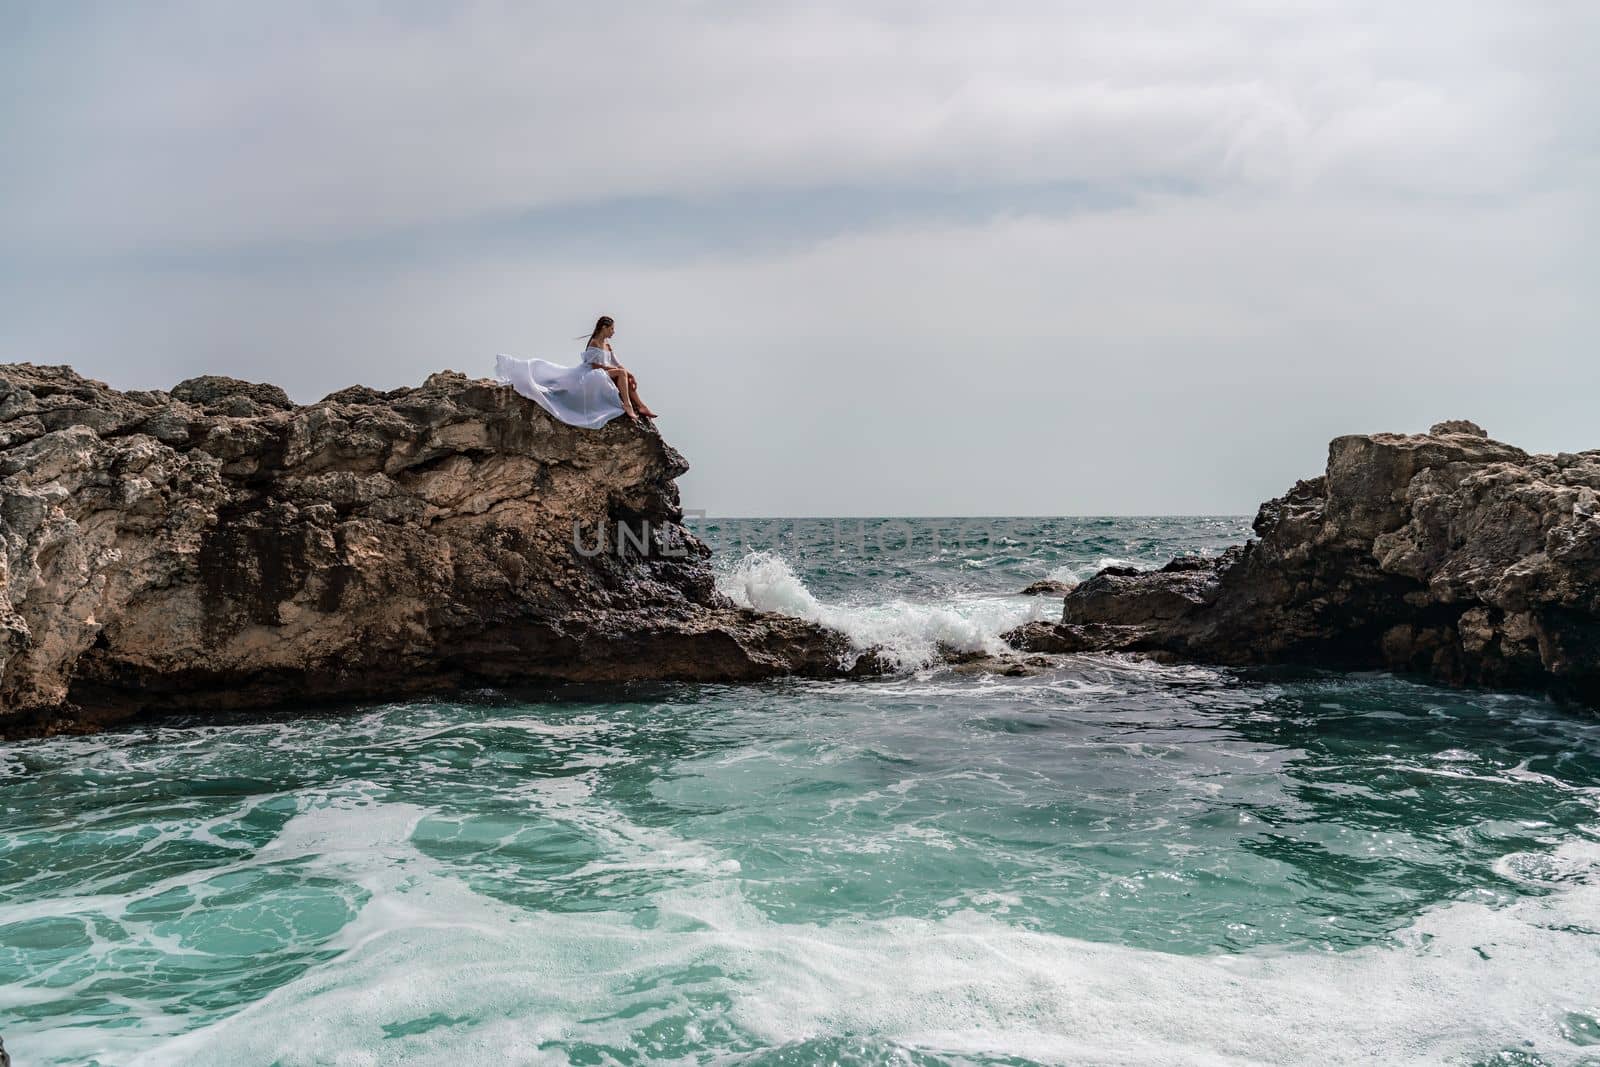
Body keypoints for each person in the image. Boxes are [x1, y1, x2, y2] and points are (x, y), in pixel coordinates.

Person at [494, 315, 656, 427]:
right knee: (621, 374)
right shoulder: (594, 343)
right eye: (612, 329)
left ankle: (641, 406)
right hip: (591, 375)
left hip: (605, 373)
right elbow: (594, 367)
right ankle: (628, 406)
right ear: (604, 328)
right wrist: (621, 372)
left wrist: (629, 373)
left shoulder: (608, 345)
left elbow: (618, 365)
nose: (613, 332)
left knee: (624, 375)